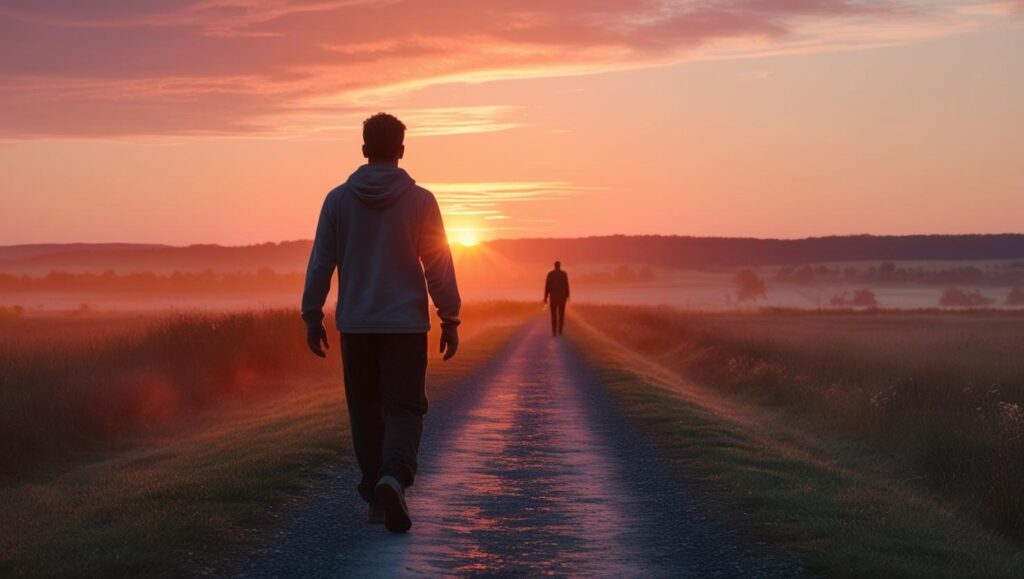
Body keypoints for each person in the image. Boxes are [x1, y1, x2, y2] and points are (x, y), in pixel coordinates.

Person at [301, 112, 461, 534]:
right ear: (401, 151)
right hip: (405, 326)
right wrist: (449, 316)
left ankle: (376, 496)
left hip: (356, 325)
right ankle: (393, 476)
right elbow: (438, 263)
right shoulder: (421, 201)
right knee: (405, 407)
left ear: (364, 149)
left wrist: (312, 314)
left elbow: (321, 261)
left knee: (365, 411)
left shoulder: (337, 200)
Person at [544, 261, 570, 336]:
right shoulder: (564, 274)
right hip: (562, 297)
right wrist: (567, 295)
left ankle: (554, 331)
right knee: (561, 314)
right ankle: (560, 330)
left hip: (553, 297)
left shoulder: (550, 274)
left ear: (554, 266)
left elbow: (547, 286)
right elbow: (566, 285)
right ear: (559, 266)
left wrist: (545, 297)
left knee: (553, 315)